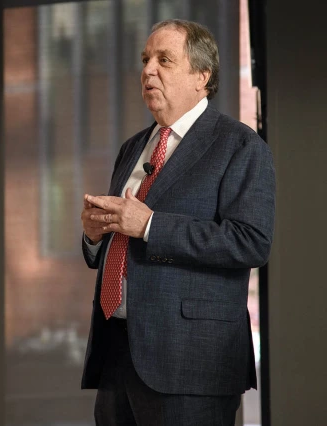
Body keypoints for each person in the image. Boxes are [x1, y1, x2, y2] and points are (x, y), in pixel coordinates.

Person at [80, 19, 275, 426]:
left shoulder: (239, 145)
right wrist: (94, 235)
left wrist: (152, 226)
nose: (148, 70)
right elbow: (120, 238)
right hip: (118, 353)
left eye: (164, 60)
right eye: (145, 59)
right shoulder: (133, 147)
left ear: (201, 76)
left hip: (191, 361)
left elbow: (251, 241)